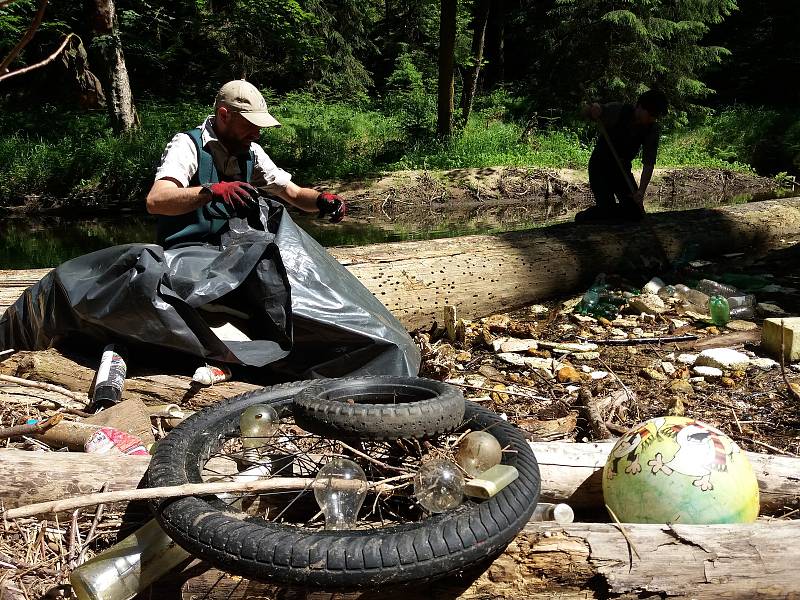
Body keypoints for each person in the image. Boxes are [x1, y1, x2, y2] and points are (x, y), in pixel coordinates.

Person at [146, 79, 346, 248]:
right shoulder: (187, 145)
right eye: (250, 124)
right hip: (183, 257)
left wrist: (321, 200)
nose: (257, 133)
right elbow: (156, 201)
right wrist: (211, 191)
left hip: (231, 259)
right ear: (224, 115)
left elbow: (294, 194)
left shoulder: (252, 152)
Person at [575, 89, 668, 223]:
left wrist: (641, 191)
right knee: (607, 212)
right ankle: (584, 217)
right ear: (640, 107)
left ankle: (612, 213)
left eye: (656, 116)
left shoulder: (652, 129)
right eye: (651, 114)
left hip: (621, 170)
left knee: (636, 213)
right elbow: (586, 112)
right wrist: (593, 110)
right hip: (600, 167)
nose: (652, 119)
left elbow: (649, 163)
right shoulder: (618, 110)